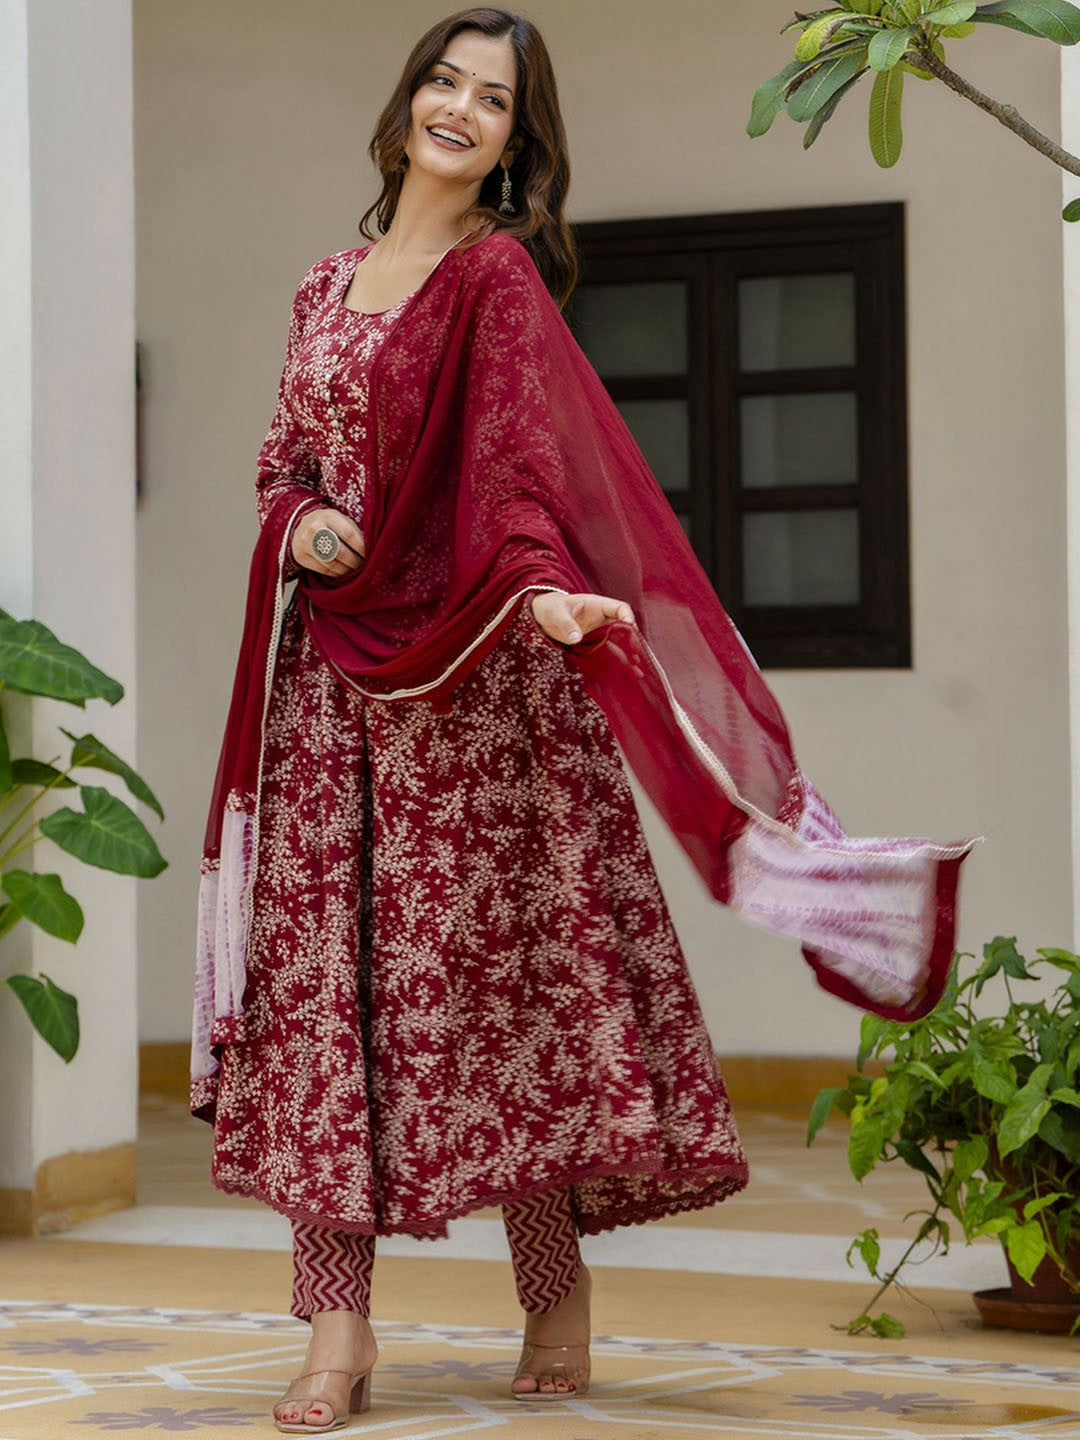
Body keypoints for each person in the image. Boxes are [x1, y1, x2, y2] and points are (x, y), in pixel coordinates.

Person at [190, 7, 975, 1433]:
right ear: (405, 105)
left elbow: (519, 472)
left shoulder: (494, 279)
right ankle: (336, 1328)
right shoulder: (319, 287)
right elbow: (281, 460)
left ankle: (554, 1295)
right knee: (326, 1003)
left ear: (514, 143)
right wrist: (298, 522)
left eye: (491, 98)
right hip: (332, 694)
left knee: (509, 997)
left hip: (477, 692)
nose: (459, 107)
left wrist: (545, 596)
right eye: (443, 80)